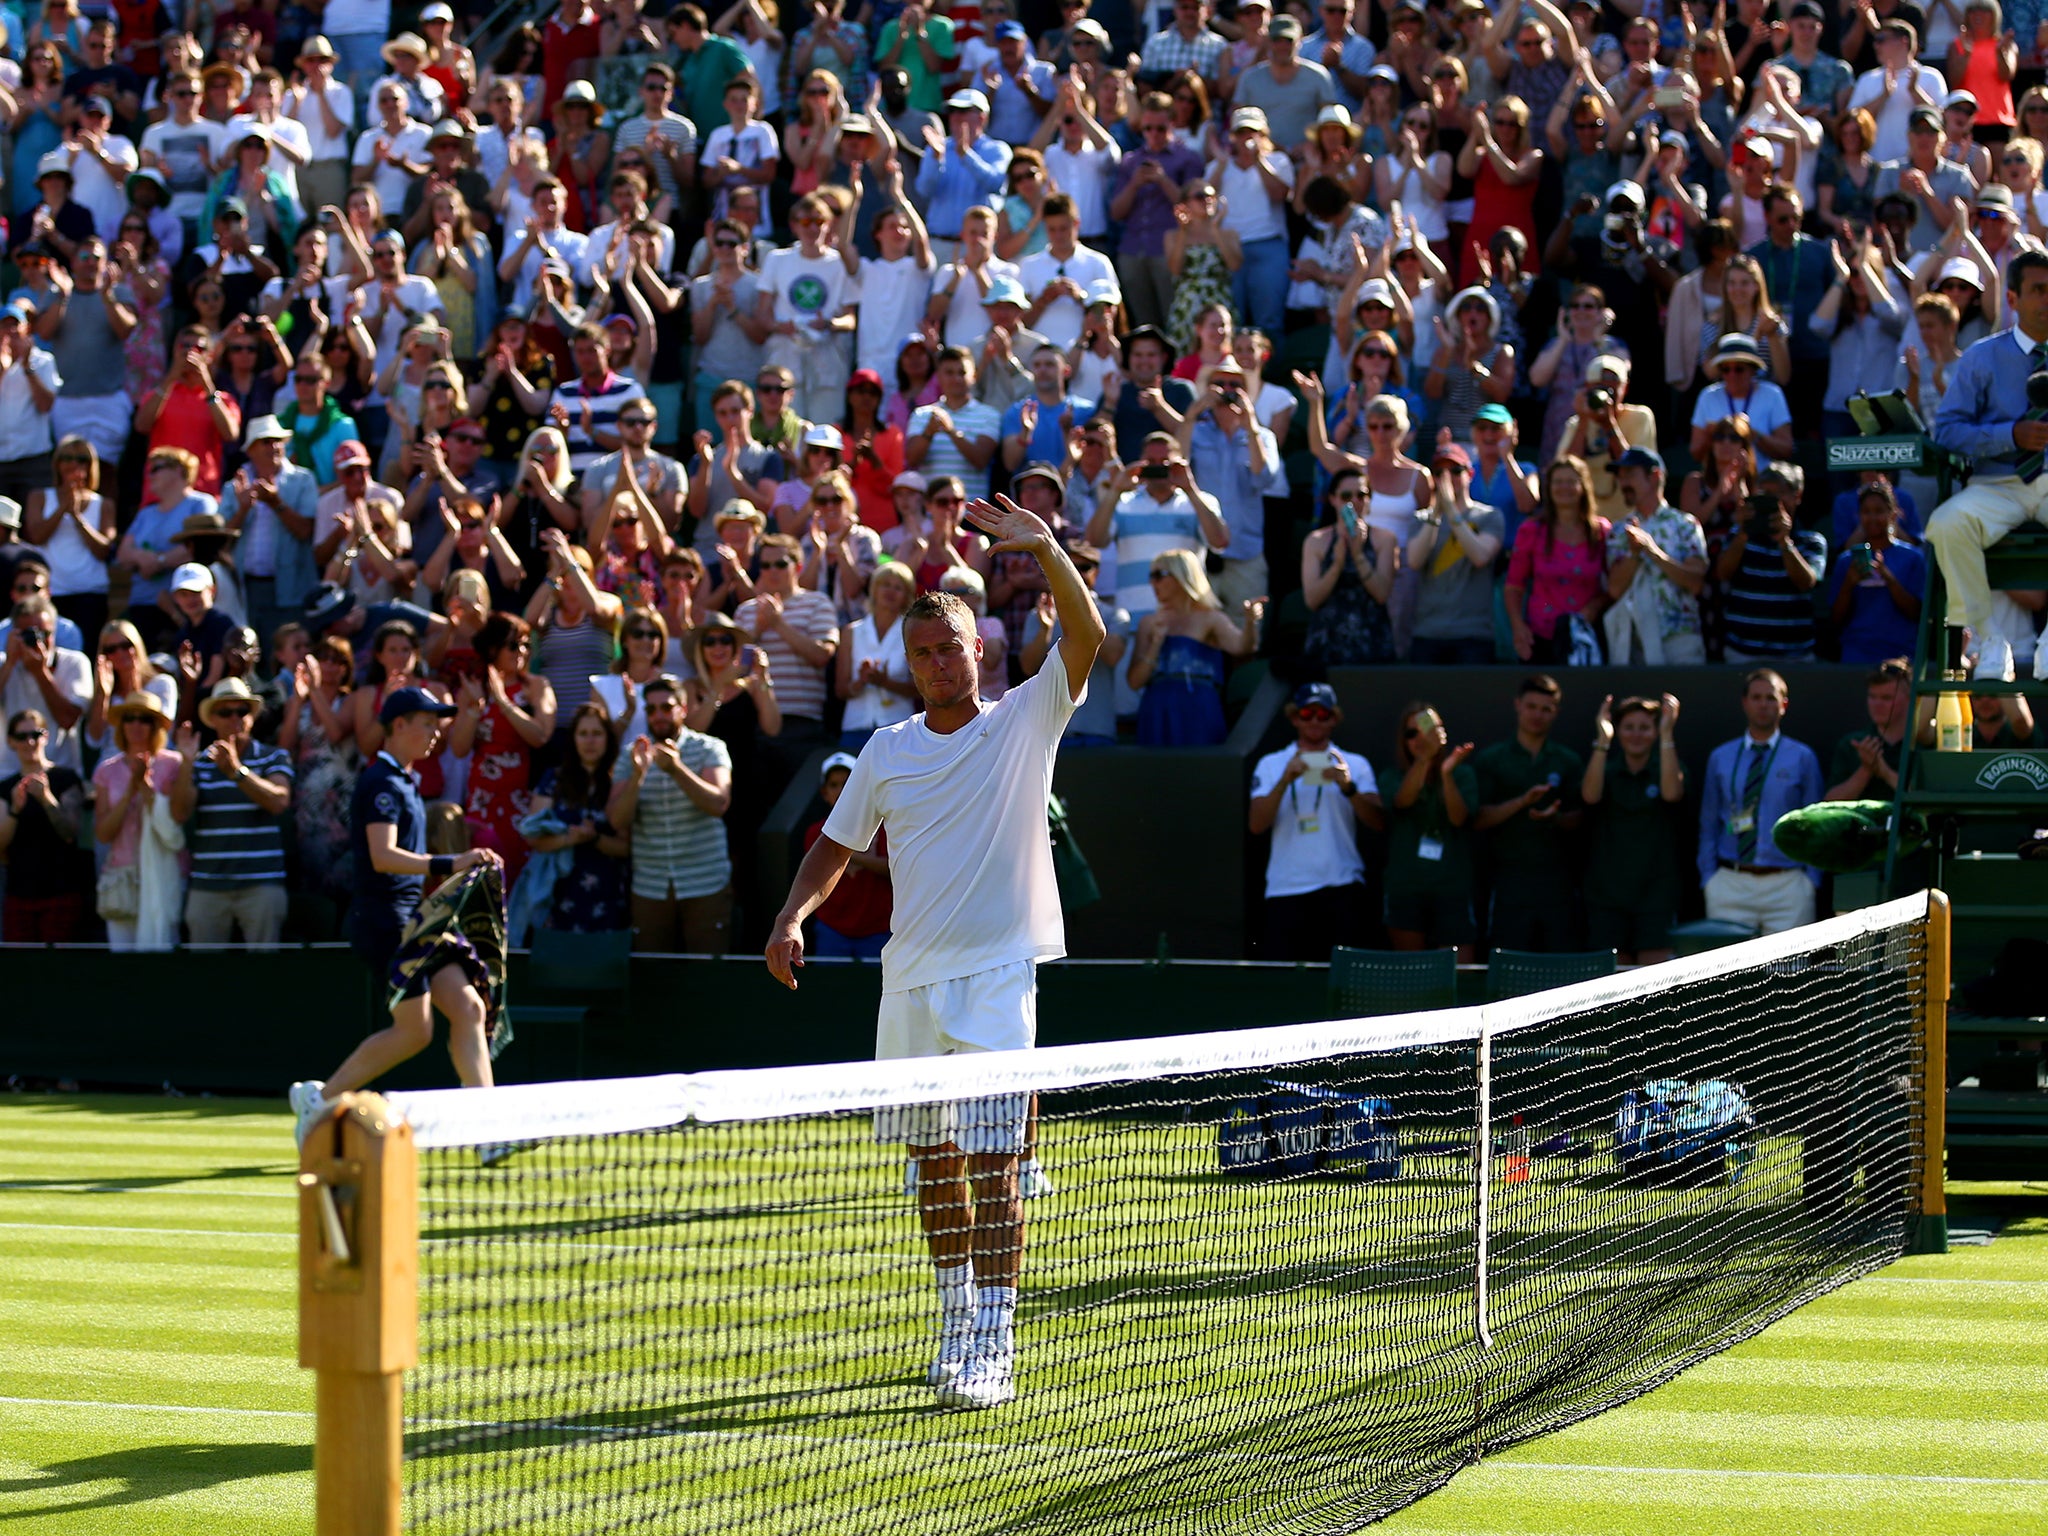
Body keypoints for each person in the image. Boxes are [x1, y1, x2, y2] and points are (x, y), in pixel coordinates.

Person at [766, 492, 1101, 1412]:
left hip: (997, 979)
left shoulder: (1027, 720)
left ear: (979, 649)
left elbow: (1089, 636)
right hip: (908, 982)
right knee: (933, 1165)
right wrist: (794, 915)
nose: (938, 663)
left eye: (951, 646)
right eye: (922, 653)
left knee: (995, 1165)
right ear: (907, 666)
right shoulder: (885, 749)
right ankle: (955, 1319)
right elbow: (834, 847)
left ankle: (993, 1336)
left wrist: (1046, 551)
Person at [290, 685, 506, 1150]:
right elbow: (383, 855)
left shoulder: (404, 781)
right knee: (415, 1031)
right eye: (426, 723)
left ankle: (488, 1129)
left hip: (418, 919)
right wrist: (453, 862)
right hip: (385, 922)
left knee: (469, 1008)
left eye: (436, 724)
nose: (435, 733)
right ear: (398, 726)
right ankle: (322, 1100)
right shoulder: (381, 783)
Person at [1927, 248, 2048, 681]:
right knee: (1945, 523)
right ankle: (1989, 640)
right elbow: (1947, 432)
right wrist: (2009, 434)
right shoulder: (1981, 356)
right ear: (2012, 299)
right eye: (2038, 290)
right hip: (1998, 483)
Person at [1247, 681, 1383, 961]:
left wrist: (1348, 787)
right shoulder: (1271, 764)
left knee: (1342, 986)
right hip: (1287, 890)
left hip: (1342, 887)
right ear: (1294, 718)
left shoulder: (1354, 764)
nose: (1314, 722)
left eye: (1323, 715)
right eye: (1306, 714)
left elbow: (1379, 821)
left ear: (1334, 718)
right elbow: (1257, 824)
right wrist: (1285, 780)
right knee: (1288, 988)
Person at [608, 672, 734, 953]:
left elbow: (719, 803)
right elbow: (617, 820)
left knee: (706, 975)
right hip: (651, 887)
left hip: (706, 884)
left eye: (666, 707)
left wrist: (677, 770)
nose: (658, 716)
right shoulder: (632, 755)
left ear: (683, 709)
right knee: (653, 976)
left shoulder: (709, 748)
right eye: (651, 709)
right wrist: (638, 777)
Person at [1696, 667, 1824, 935]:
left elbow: (1816, 822)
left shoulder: (1802, 757)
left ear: (1783, 704)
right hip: (1731, 882)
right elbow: (1709, 821)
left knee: (1791, 973)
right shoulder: (1721, 757)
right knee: (1728, 974)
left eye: (1770, 698)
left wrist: (1810, 880)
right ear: (1745, 702)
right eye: (1756, 697)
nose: (1763, 705)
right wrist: (1710, 878)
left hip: (1787, 883)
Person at [172, 676, 294, 946]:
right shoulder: (198, 763)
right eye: (225, 712)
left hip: (262, 885)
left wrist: (237, 773)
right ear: (212, 719)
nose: (235, 718)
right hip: (208, 886)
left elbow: (279, 800)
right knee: (206, 978)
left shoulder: (274, 756)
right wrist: (185, 764)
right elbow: (180, 813)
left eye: (242, 711)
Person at [1472, 673, 1584, 953]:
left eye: (1546, 709)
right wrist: (1522, 802)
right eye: (1532, 706)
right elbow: (1478, 819)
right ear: (1518, 705)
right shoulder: (1492, 759)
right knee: (1508, 965)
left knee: (1562, 967)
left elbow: (1581, 819)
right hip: (1508, 881)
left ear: (1555, 713)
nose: (1538, 715)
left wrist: (1554, 818)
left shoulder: (1568, 761)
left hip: (1557, 881)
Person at [1581, 692, 1685, 965]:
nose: (1636, 735)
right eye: (1629, 727)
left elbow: (1673, 793)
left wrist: (1666, 734)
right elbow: (1589, 796)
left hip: (1656, 895)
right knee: (1610, 983)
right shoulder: (1606, 768)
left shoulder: (1666, 765)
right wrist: (1603, 740)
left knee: (1655, 980)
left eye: (1644, 728)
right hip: (1607, 896)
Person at [1126, 547, 1258, 747]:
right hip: (1157, 707)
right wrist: (1156, 644)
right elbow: (1134, 682)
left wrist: (1250, 622)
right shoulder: (1149, 623)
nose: (1153, 582)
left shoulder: (1211, 618)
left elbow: (1243, 647)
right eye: (1151, 576)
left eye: (1159, 575)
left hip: (1198, 707)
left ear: (1182, 576)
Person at [521, 700, 631, 934]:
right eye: (583, 734)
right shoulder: (554, 779)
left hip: (608, 897)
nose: (590, 741)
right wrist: (571, 839)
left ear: (608, 738)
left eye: (596, 734)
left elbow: (628, 846)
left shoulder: (620, 782)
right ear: (573, 739)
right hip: (558, 897)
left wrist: (594, 839)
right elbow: (532, 836)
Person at [1382, 700, 1479, 960]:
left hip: (1452, 888)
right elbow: (1402, 802)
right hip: (1406, 888)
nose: (1419, 738)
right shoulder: (1393, 776)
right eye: (1411, 733)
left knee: (1461, 976)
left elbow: (1459, 819)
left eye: (1427, 729)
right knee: (1411, 973)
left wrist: (1446, 774)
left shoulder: (1462, 774)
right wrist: (1424, 758)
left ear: (1441, 732)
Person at [1604, 447, 1708, 665]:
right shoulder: (1618, 529)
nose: (1623, 484)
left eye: (1630, 475)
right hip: (1634, 641)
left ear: (1655, 477)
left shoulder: (1685, 525)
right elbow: (1614, 589)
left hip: (1680, 637)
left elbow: (1695, 583)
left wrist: (1652, 550)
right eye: (1620, 477)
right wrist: (1634, 554)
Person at [1407, 441, 1503, 666]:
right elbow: (1414, 560)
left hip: (1473, 635)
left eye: (1456, 471)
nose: (1448, 479)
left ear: (1471, 473)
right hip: (1428, 633)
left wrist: (1450, 509)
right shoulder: (1421, 519)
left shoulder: (1489, 517)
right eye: (1440, 473)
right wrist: (1437, 513)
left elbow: (1480, 556)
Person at [0, 706, 92, 940]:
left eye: (36, 734)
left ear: (46, 737)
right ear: (11, 741)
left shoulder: (66, 779)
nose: (29, 742)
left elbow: (70, 833)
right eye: (22, 736)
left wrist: (47, 800)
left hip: (62, 893)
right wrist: (14, 810)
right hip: (19, 894)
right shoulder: (5, 788)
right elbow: (1, 846)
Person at [804, 750, 892, 959]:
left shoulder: (887, 829)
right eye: (833, 785)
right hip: (832, 930)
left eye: (847, 783)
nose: (840, 790)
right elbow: (813, 877)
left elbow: (896, 869)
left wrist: (846, 852)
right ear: (824, 793)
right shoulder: (815, 832)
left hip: (879, 930)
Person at [1824, 658, 1911, 803]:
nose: (1877, 704)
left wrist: (1885, 773)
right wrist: (1866, 769)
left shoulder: (1921, 745)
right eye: (1872, 697)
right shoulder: (1853, 744)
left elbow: (1926, 799)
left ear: (1909, 699)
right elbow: (1829, 804)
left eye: (1886, 698)